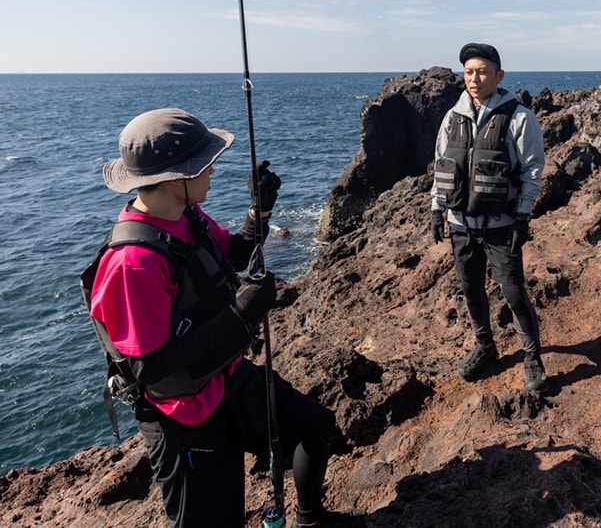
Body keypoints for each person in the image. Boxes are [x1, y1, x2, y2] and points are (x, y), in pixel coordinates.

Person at [84, 108, 361, 527]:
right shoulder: (133, 264)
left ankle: (309, 521)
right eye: (205, 163)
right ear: (178, 177)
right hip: (183, 418)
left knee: (315, 427)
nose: (213, 170)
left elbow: (232, 253)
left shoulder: (184, 216)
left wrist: (259, 213)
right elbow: (148, 366)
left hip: (227, 378)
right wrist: (240, 314)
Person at [430, 43, 549, 393]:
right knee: (470, 288)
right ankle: (485, 345)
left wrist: (523, 217)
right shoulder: (453, 117)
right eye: (468, 72)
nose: (475, 78)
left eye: (482, 71)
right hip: (460, 224)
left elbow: (531, 170)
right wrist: (438, 210)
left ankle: (532, 357)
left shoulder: (519, 117)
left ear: (499, 75)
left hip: (501, 225)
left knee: (513, 292)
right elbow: (441, 167)